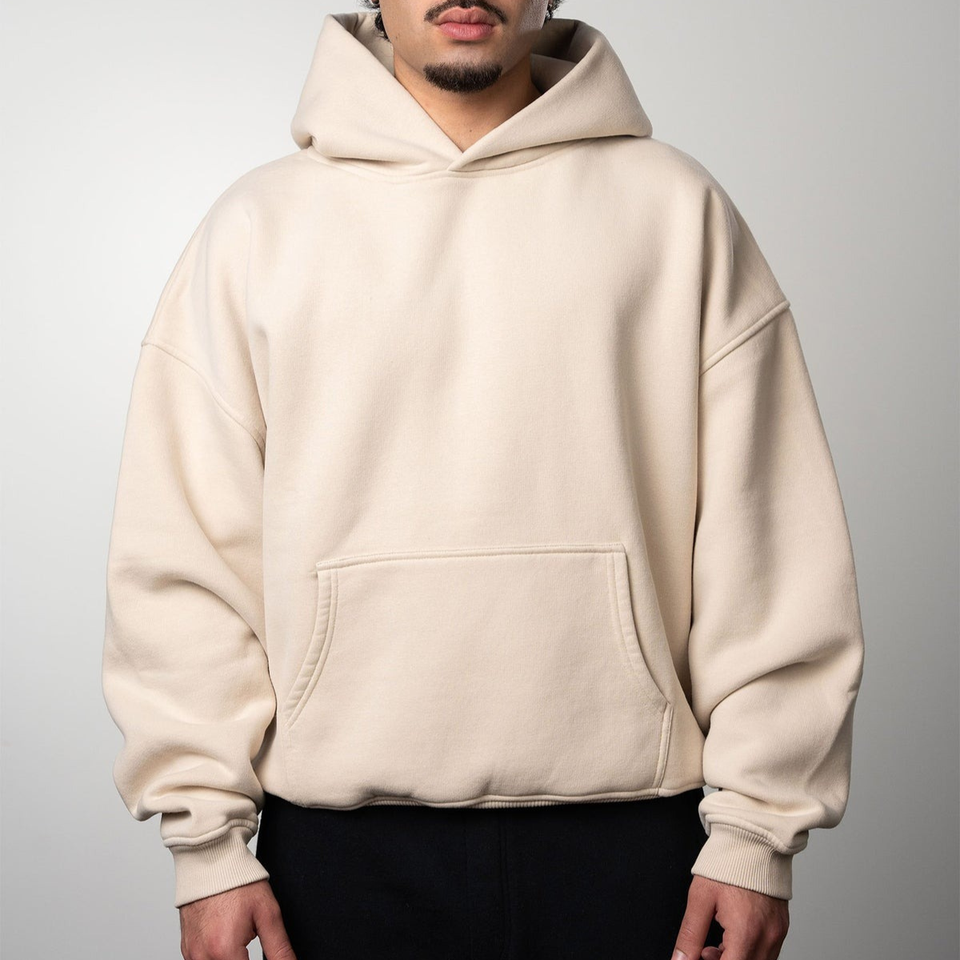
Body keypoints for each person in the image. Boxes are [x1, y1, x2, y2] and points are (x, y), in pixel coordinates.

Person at [100, 2, 866, 959]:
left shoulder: (676, 211)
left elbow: (772, 538)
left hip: (634, 845)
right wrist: (208, 845)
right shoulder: (257, 229)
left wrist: (756, 834)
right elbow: (182, 554)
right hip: (338, 853)